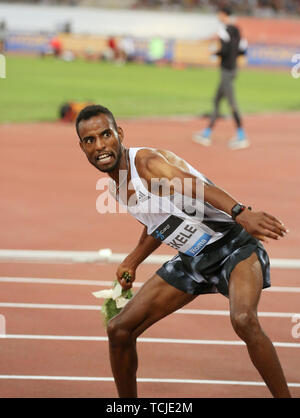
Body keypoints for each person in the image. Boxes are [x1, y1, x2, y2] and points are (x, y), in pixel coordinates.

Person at [76, 104, 291, 398]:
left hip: (233, 244)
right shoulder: (116, 186)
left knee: (244, 320)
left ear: (119, 134)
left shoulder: (146, 164)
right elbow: (161, 222)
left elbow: (194, 186)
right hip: (193, 258)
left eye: (105, 134)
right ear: (82, 147)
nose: (100, 145)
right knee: (119, 330)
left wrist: (240, 212)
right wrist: (133, 260)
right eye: (90, 140)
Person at [193, 6, 249, 150]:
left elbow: (224, 50)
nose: (218, 16)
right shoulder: (237, 30)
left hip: (226, 71)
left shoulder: (224, 30)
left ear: (224, 15)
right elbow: (242, 50)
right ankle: (207, 133)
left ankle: (242, 136)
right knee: (217, 100)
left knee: (231, 103)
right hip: (233, 69)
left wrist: (214, 53)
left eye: (219, 14)